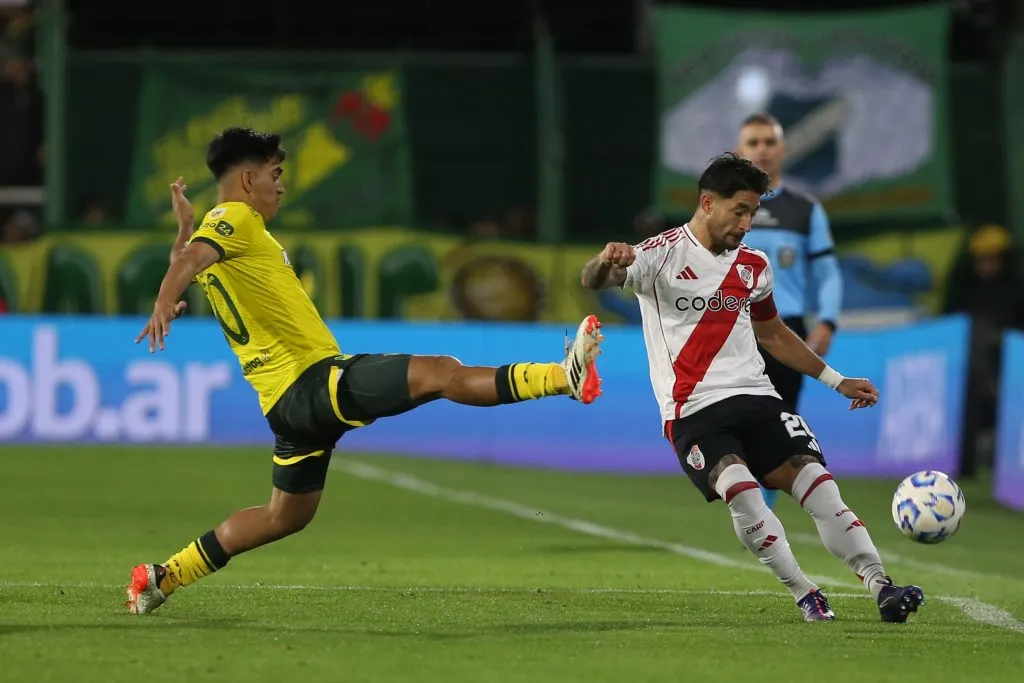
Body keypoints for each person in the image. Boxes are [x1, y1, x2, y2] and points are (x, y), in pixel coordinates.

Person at [126, 127, 605, 614]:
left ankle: (165, 575)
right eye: (276, 174)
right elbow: (186, 263)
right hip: (311, 383)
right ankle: (561, 377)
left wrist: (184, 232)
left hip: (284, 406)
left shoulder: (216, 229)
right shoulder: (235, 217)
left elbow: (188, 260)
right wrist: (164, 301)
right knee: (440, 373)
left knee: (283, 517)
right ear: (248, 179)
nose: (281, 185)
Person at [579, 152, 923, 623]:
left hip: (759, 398)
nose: (746, 223)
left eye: (752, 213)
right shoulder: (658, 256)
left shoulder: (753, 267)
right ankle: (805, 592)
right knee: (741, 490)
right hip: (693, 410)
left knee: (818, 485)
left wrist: (836, 380)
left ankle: (882, 586)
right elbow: (595, 278)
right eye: (739, 210)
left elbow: (774, 334)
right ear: (707, 203)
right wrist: (605, 260)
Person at [734, 114, 844, 510]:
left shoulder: (805, 209)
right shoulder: (724, 208)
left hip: (785, 327)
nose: (761, 149)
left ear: (782, 150)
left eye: (768, 142)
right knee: (733, 414)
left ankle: (763, 514)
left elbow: (828, 272)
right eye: (753, 142)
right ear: (739, 150)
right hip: (731, 325)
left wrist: (827, 321)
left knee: (780, 423)